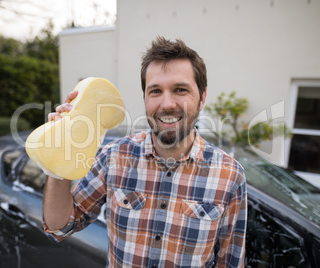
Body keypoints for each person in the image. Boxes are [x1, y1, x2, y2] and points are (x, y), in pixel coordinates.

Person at [43, 36, 247, 268]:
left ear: (202, 98)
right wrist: (61, 152)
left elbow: (230, 262)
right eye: (155, 91)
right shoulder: (114, 157)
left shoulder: (230, 175)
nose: (167, 103)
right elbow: (59, 228)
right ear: (145, 98)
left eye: (180, 90)